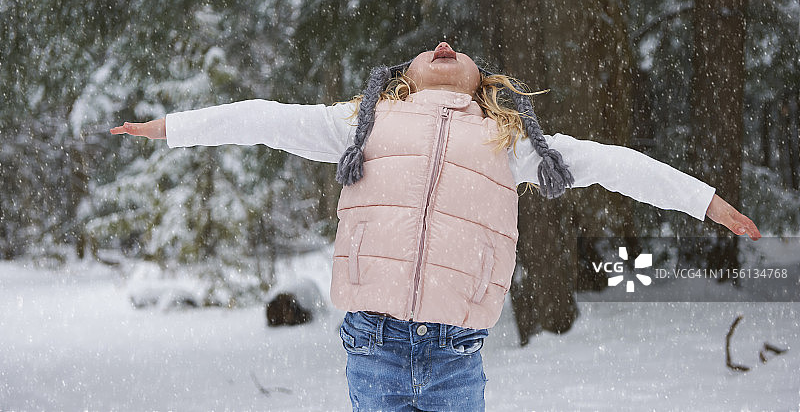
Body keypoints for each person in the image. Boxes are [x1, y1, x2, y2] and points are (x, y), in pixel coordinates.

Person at [111, 41, 760, 411]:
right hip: (375, 343)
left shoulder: (508, 139)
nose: (444, 45)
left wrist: (702, 200)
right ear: (403, 78)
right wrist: (172, 128)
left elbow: (610, 163)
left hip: (455, 350)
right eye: (429, 50)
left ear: (484, 84)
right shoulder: (363, 122)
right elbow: (264, 118)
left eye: (459, 51)